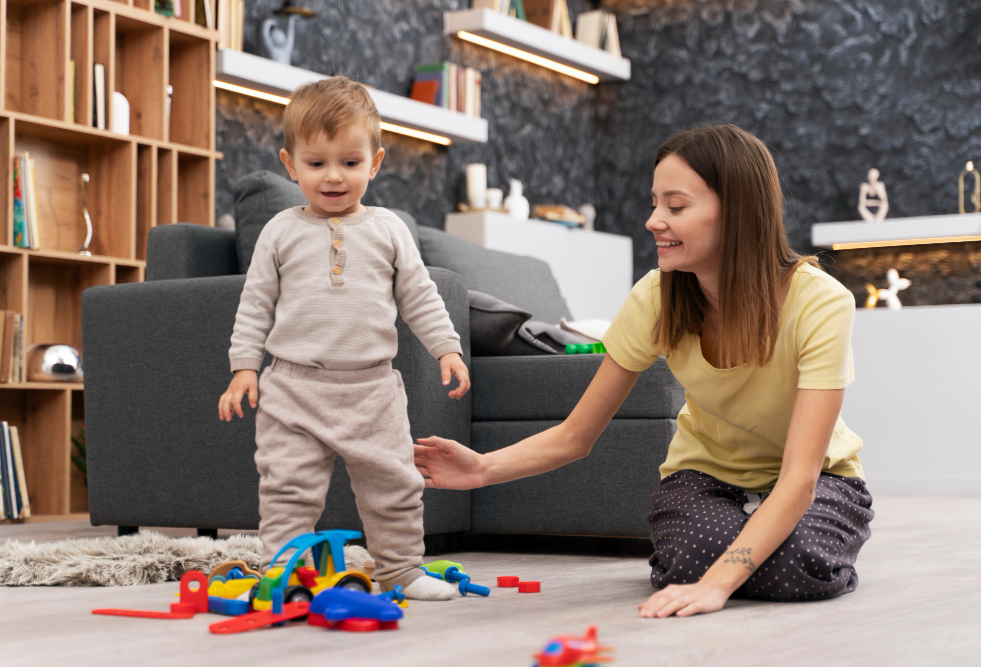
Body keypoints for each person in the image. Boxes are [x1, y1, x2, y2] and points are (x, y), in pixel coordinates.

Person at [414, 124, 874, 617]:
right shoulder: (657, 297)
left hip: (819, 477)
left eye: (675, 206)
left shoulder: (820, 302)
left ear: (739, 212)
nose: (654, 220)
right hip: (707, 476)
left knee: (792, 565)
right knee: (691, 561)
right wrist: (482, 468)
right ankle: (744, 551)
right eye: (655, 203)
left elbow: (799, 477)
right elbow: (576, 435)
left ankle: (804, 553)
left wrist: (717, 586)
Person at [218, 76, 470, 601]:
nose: (334, 177)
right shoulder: (280, 232)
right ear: (291, 165)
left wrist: (447, 347)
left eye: (350, 163)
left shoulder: (389, 229)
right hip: (292, 390)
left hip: (373, 391)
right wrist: (244, 367)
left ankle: (401, 570)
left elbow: (419, 296)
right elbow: (255, 304)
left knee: (395, 486)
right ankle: (285, 577)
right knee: (286, 489)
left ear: (374, 163)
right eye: (316, 164)